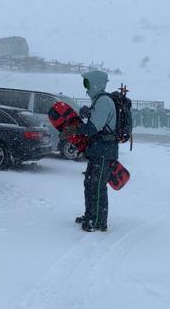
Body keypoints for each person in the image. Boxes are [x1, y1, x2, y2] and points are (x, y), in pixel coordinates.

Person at [71, 70, 117, 232]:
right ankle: (90, 215)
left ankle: (98, 221)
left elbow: (93, 128)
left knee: (97, 186)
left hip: (104, 150)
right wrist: (87, 113)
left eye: (87, 83)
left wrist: (75, 128)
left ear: (95, 83)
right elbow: (96, 122)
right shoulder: (99, 100)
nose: (86, 87)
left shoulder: (104, 101)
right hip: (98, 150)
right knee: (89, 183)